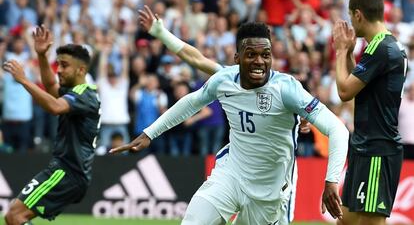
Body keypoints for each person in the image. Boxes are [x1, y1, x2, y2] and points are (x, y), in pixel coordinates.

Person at [111, 19, 349, 224]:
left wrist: (331, 181)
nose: (259, 61)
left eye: (265, 55)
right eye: (251, 55)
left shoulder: (286, 89)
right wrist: (149, 133)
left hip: (270, 191)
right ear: (237, 58)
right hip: (231, 175)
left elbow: (339, 129)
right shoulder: (224, 80)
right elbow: (191, 102)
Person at [3, 26, 100, 225]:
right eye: (58, 65)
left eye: (64, 65)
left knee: (14, 216)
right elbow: (50, 87)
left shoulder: (84, 94)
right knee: (15, 215)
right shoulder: (77, 91)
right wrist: (42, 56)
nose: (60, 70)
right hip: (68, 171)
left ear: (81, 70)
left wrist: (23, 80)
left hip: (68, 171)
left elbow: (55, 107)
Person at [333, 0, 408, 225]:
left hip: (377, 148)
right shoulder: (389, 45)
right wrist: (347, 54)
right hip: (365, 145)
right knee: (346, 220)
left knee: (370, 223)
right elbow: (358, 83)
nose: (352, 24)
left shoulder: (380, 48)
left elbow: (344, 91)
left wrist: (340, 51)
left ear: (358, 15)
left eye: (351, 17)